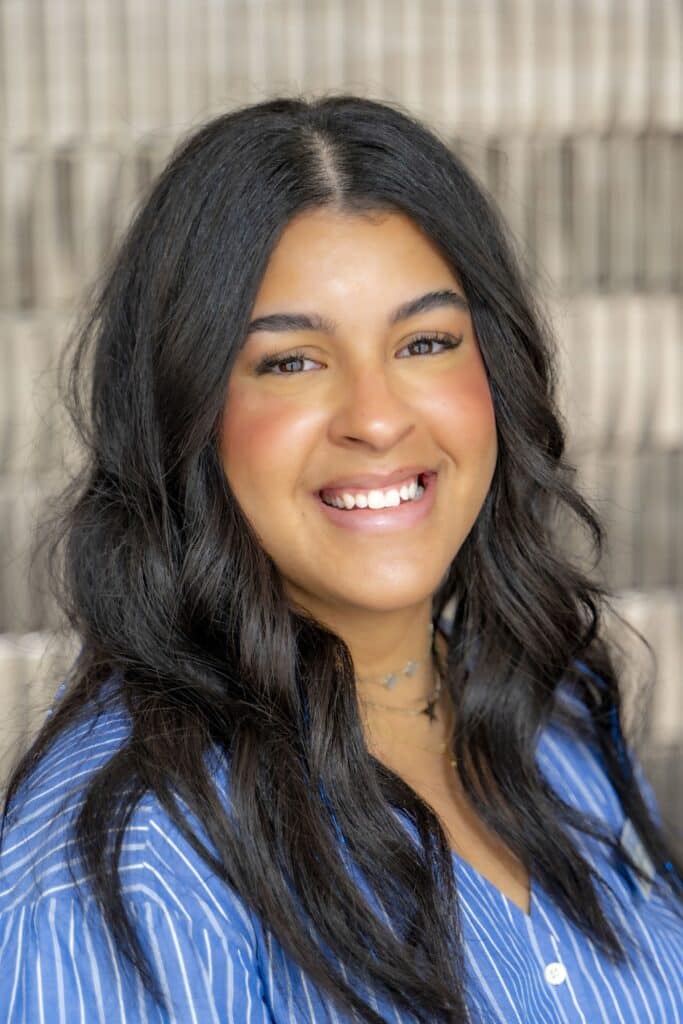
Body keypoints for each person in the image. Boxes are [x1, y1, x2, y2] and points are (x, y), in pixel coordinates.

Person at [0, 93, 681, 1024]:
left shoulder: (556, 721)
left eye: (426, 343)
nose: (376, 416)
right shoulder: (131, 869)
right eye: (291, 361)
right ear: (185, 414)